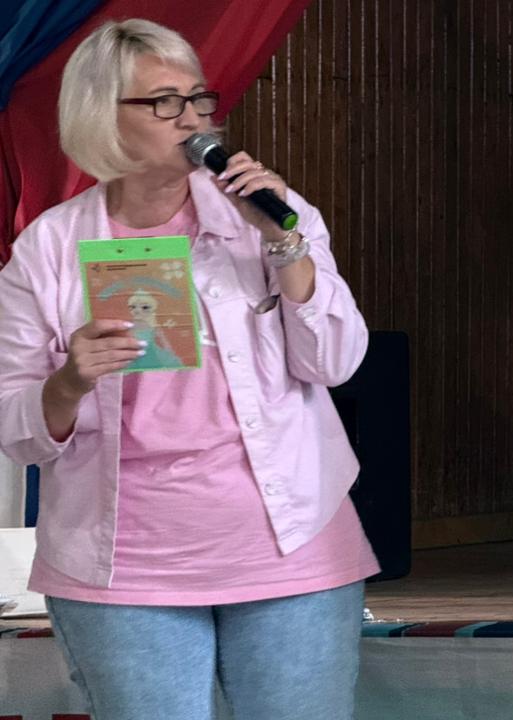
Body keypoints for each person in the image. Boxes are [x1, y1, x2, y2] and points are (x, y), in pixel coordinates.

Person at [0, 19, 378, 720]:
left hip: (289, 544)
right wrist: (69, 381)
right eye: (165, 102)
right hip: (123, 569)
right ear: (101, 115)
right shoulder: (48, 248)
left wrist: (285, 243)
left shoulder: (270, 217)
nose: (193, 119)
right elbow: (15, 432)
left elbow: (335, 360)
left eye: (199, 99)